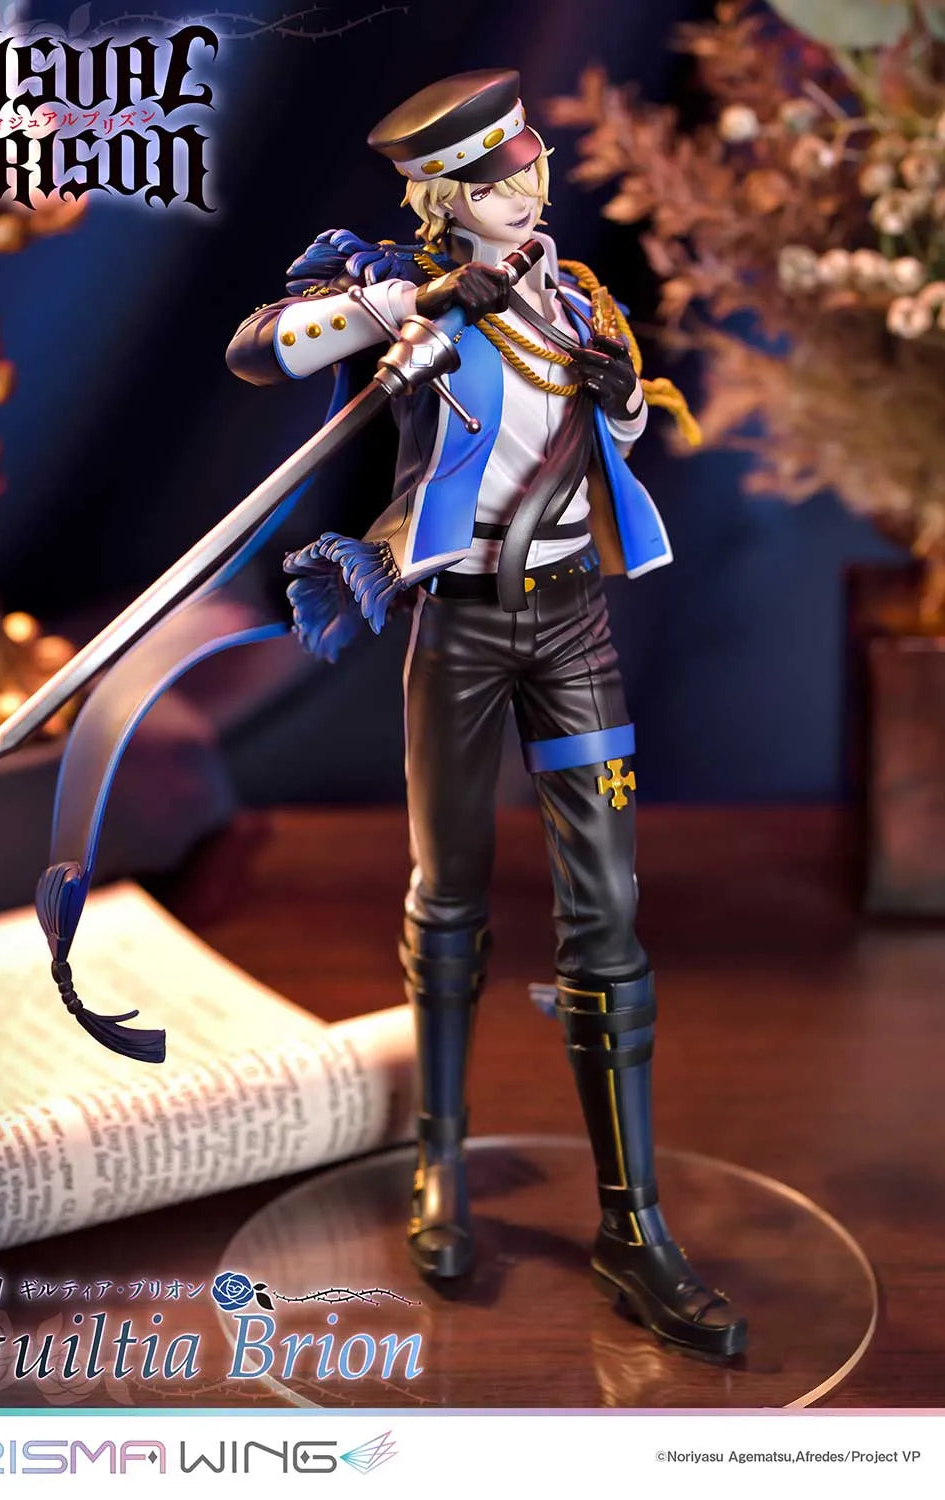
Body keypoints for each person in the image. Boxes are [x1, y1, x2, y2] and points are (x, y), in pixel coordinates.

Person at [226, 68, 745, 1360]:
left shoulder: (578, 297)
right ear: (445, 199)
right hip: (459, 627)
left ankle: (633, 1224)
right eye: (494, 179)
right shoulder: (413, 296)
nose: (526, 189)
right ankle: (441, 1162)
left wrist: (620, 389)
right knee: (447, 893)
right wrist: (412, 304)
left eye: (527, 167)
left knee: (607, 915)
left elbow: (617, 432)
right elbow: (258, 349)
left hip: (573, 622)